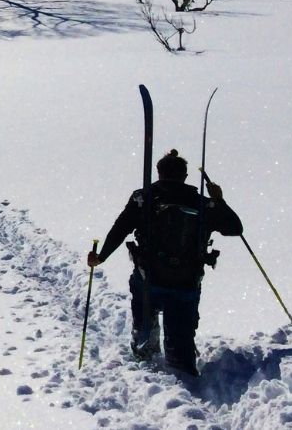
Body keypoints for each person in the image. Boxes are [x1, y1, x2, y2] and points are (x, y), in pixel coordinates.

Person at [87, 149, 243, 376]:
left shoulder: (143, 199)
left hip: (148, 279)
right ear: (185, 176)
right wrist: (219, 201)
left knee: (144, 327)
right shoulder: (202, 204)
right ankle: (182, 368)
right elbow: (235, 228)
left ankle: (146, 353)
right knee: (180, 340)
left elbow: (120, 230)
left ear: (158, 173)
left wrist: (100, 257)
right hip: (186, 282)